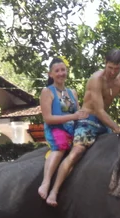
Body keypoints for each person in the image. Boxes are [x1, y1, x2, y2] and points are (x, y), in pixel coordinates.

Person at [45, 49, 120, 207]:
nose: (113, 72)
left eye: (117, 68)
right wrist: (116, 127)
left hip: (103, 122)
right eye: (110, 67)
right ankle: (54, 190)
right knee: (77, 152)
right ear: (105, 64)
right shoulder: (96, 79)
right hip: (88, 119)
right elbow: (99, 110)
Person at [38, 57, 88, 200]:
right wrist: (73, 117)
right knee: (62, 147)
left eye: (63, 70)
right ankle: (46, 182)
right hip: (56, 129)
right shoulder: (47, 91)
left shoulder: (73, 92)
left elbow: (77, 113)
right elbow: (48, 118)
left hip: (72, 129)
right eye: (57, 71)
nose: (60, 73)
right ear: (51, 74)